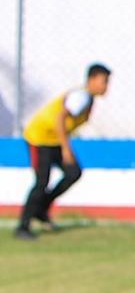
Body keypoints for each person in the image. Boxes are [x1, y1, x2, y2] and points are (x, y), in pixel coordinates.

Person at [17, 62, 110, 237]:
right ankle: (23, 226)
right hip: (40, 138)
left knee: (73, 172)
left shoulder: (88, 99)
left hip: (53, 140)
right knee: (41, 182)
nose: (106, 86)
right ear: (92, 80)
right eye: (103, 81)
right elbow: (60, 118)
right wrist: (66, 149)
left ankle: (41, 207)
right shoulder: (81, 97)